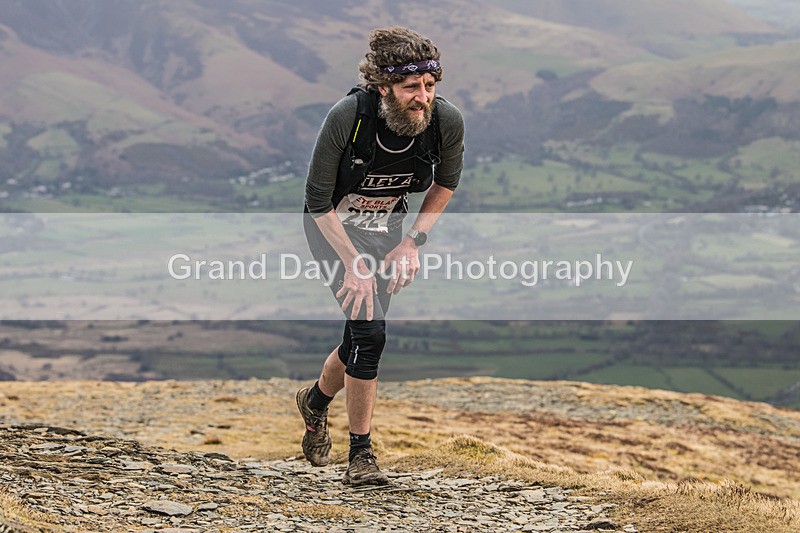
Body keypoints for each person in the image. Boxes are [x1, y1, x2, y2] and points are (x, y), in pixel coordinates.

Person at [297, 26, 464, 486]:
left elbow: (445, 183)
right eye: (411, 87)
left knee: (360, 337)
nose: (422, 98)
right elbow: (317, 201)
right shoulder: (348, 117)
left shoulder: (445, 121)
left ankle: (314, 402)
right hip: (332, 230)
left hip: (387, 233)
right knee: (370, 335)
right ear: (383, 86)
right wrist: (353, 263)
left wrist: (412, 242)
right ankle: (361, 456)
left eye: (429, 86)